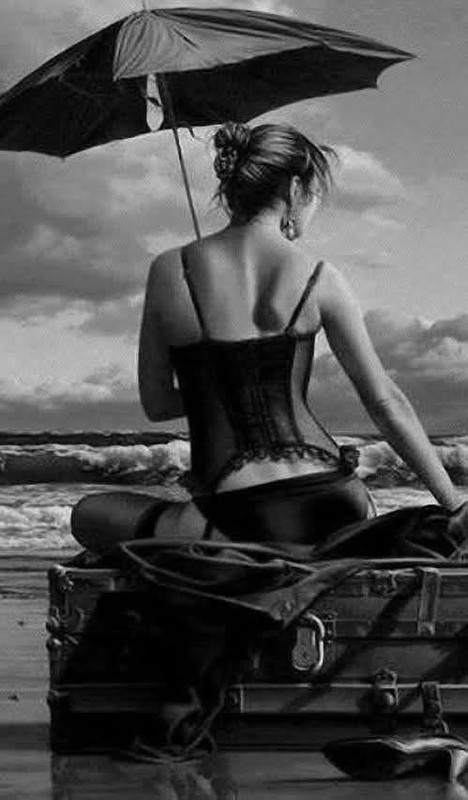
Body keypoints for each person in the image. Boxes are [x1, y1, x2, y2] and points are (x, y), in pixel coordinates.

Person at [138, 121, 467, 550]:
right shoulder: (320, 277)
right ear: (295, 189)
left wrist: (219, 392)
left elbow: (157, 404)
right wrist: (454, 506)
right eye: (314, 195)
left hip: (236, 514)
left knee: (92, 514)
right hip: (338, 500)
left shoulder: (169, 270)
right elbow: (385, 402)